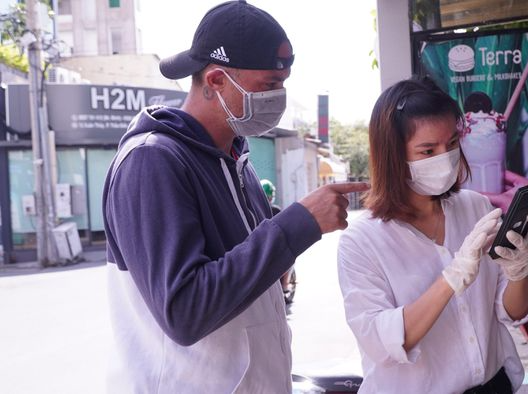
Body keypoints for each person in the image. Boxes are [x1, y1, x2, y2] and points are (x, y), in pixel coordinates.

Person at [103, 2, 368, 392]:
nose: (279, 96)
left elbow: (244, 272)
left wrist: (277, 264)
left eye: (283, 83)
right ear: (215, 80)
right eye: (269, 86)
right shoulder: (152, 160)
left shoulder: (236, 158)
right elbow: (185, 311)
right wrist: (298, 225)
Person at [337, 77, 528, 393]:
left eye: (453, 143)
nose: (445, 157)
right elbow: (382, 342)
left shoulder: (476, 207)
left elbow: (512, 311)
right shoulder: (361, 241)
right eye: (427, 150)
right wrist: (453, 276)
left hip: (493, 384)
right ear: (393, 156)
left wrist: (518, 270)